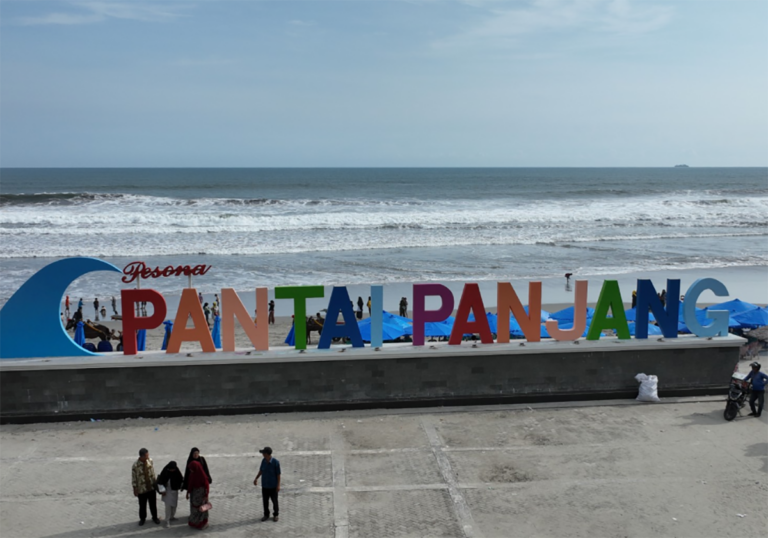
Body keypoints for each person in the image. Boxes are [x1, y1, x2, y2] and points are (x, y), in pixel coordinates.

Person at [131, 448, 160, 526]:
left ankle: (155, 517)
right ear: (142, 456)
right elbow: (134, 478)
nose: (148, 456)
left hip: (151, 487)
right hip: (142, 489)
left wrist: (156, 482)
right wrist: (135, 488)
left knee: (153, 504)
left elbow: (153, 472)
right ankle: (142, 519)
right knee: (142, 505)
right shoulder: (135, 465)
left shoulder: (150, 461)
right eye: (147, 455)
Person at [253, 446, 281, 522]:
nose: (262, 454)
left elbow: (278, 475)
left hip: (273, 486)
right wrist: (256, 478)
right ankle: (266, 514)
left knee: (274, 501)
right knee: (265, 501)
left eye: (263, 453)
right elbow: (261, 470)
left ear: (267, 454)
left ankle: (276, 514)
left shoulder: (275, 462)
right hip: (265, 485)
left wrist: (278, 485)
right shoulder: (263, 461)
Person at [157, 461, 183, 527]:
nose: (172, 470)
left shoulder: (176, 471)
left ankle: (172, 516)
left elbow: (181, 479)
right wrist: (162, 491)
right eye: (171, 469)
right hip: (167, 491)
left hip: (174, 491)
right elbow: (160, 482)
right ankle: (167, 520)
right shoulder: (165, 472)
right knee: (168, 507)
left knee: (174, 505)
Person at [185, 461, 210, 530]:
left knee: (202, 509)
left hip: (201, 496)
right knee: (194, 509)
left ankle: (203, 523)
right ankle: (195, 522)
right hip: (194, 495)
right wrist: (188, 493)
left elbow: (206, 486)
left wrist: (206, 495)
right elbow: (190, 484)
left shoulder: (202, 476)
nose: (190, 470)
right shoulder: (192, 474)